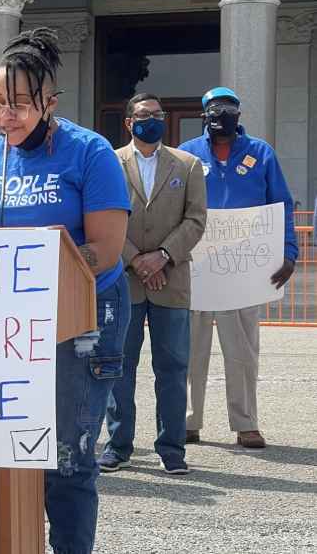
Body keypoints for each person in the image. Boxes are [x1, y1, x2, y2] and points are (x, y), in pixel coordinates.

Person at [0, 28, 131, 554]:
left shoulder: (90, 153)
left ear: (50, 103)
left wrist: (34, 270)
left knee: (67, 457)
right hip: (5, 325)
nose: (5, 116)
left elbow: (106, 246)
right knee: (4, 452)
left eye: (19, 104)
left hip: (81, 320)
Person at [179, 87, 298, 449]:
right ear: (204, 116)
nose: (222, 117)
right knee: (187, 349)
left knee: (243, 349)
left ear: (239, 115)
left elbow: (282, 203)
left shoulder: (260, 153)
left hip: (244, 269)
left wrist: (288, 251)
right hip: (196, 267)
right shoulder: (187, 154)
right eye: (215, 111)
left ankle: (246, 423)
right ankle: (187, 422)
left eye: (229, 110)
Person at [100, 93, 207, 475]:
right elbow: (103, 218)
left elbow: (195, 220)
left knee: (174, 368)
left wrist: (162, 255)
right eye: (144, 115)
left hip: (172, 279)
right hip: (123, 280)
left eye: (158, 115)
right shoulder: (108, 162)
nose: (153, 120)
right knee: (119, 367)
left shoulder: (188, 164)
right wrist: (135, 259)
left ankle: (172, 449)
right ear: (129, 122)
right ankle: (118, 445)